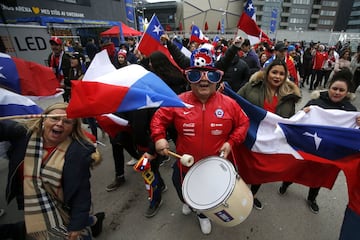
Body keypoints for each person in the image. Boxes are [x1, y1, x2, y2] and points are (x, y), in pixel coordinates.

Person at [150, 47, 250, 235]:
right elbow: (158, 118)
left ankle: (203, 214)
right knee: (180, 188)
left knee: (207, 197)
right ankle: (190, 204)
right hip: (185, 165)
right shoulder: (178, 101)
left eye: (209, 77)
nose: (203, 80)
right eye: (197, 76)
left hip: (215, 166)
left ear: (217, 79)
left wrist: (231, 142)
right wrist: (159, 138)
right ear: (189, 78)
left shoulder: (229, 104)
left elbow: (243, 123)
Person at [0, 102, 104, 239]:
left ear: (73, 128)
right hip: (32, 201)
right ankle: (92, 221)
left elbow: (81, 193)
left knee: (76, 232)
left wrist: (77, 225)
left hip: (65, 207)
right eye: (54, 118)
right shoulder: (24, 134)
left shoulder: (77, 153)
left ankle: (89, 222)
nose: (60, 124)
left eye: (67, 121)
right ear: (44, 119)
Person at [278, 69, 358, 214]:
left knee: (318, 176)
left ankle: (312, 198)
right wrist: (304, 112)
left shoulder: (351, 112)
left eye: (341, 90)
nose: (337, 92)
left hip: (327, 153)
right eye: (335, 88)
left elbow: (353, 136)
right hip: (308, 147)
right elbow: (298, 121)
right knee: (297, 168)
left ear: (347, 92)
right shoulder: (316, 102)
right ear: (329, 87)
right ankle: (286, 183)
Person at [238, 59, 301, 210]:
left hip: (268, 143)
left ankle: (251, 195)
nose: (277, 76)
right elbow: (234, 102)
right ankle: (236, 196)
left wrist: (305, 114)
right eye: (274, 72)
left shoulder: (289, 96)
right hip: (248, 137)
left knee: (260, 171)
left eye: (281, 74)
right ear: (267, 73)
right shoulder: (251, 87)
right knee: (241, 167)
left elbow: (289, 121)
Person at [47, 36, 71, 102]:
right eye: (52, 45)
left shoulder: (66, 58)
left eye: (56, 45)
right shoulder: (51, 57)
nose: (54, 47)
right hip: (58, 83)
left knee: (69, 98)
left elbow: (69, 72)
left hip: (67, 84)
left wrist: (65, 81)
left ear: (61, 46)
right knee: (65, 98)